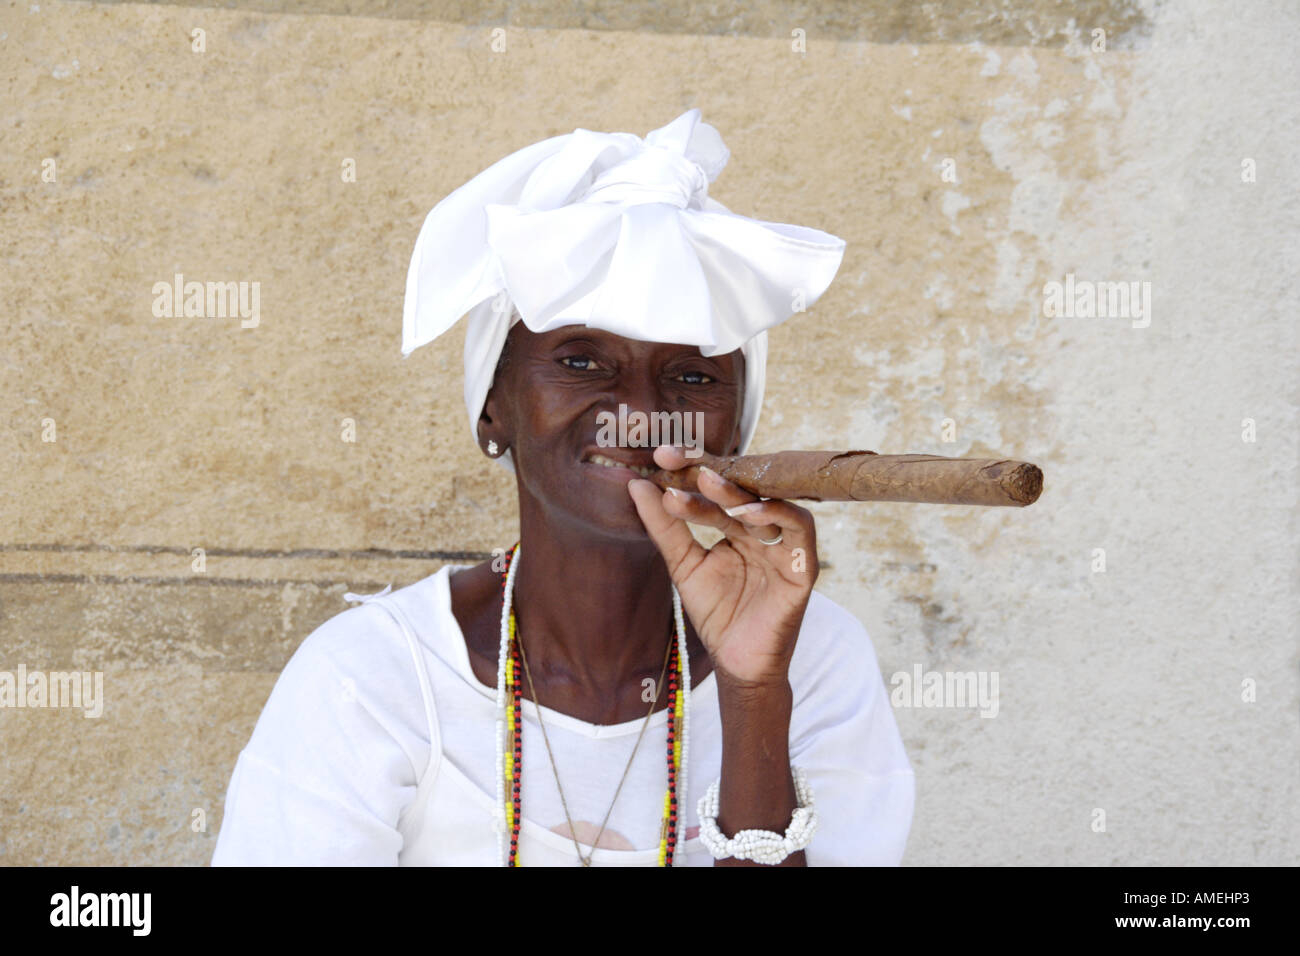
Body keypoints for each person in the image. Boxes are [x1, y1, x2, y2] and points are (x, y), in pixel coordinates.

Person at [211, 109, 914, 866]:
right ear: (492, 408)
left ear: (734, 434)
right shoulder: (376, 679)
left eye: (691, 376)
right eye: (582, 362)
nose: (642, 416)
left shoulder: (813, 662)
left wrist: (753, 696)